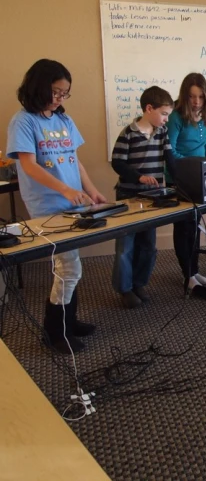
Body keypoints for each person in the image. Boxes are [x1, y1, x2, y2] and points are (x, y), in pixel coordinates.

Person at [7, 59, 107, 353]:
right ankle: (54, 332)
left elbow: (75, 161)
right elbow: (29, 165)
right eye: (56, 91)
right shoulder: (24, 121)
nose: (60, 98)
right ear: (38, 87)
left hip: (72, 201)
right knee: (68, 265)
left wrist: (92, 191)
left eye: (65, 93)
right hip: (47, 204)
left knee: (69, 264)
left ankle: (68, 322)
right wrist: (65, 188)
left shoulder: (64, 121)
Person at [110, 86, 176, 308]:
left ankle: (139, 283)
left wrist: (182, 179)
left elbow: (170, 158)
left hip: (153, 197)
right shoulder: (128, 133)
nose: (166, 119)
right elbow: (118, 163)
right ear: (149, 108)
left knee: (148, 244)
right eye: (164, 114)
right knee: (126, 246)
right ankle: (125, 288)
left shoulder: (161, 133)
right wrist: (139, 178)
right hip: (128, 195)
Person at [168, 73, 206, 293]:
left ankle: (194, 272)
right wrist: (194, 168)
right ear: (185, 96)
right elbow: (171, 152)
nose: (196, 102)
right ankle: (188, 275)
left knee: (195, 227)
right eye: (192, 97)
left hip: (201, 180)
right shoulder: (176, 117)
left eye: (201, 97)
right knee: (184, 227)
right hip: (181, 179)